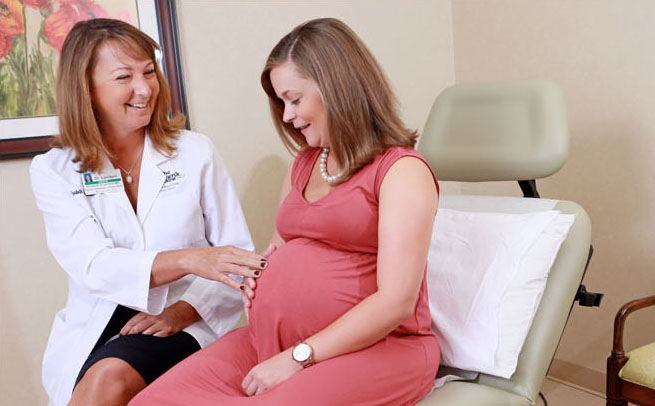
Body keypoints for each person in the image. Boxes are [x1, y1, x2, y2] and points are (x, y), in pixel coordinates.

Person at [131, 17, 440, 405]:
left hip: (378, 349)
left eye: (294, 99)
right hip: (274, 342)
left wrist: (298, 357)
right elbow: (278, 249)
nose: (287, 115)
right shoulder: (304, 165)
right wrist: (259, 279)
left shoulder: (401, 171)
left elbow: (396, 301)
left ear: (336, 87)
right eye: (281, 103)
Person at [29, 19, 267, 406]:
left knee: (109, 378)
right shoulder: (54, 170)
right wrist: (192, 258)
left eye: (149, 71)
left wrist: (183, 311)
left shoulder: (195, 152)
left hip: (183, 320)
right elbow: (93, 265)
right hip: (96, 323)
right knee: (95, 380)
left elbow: (236, 257)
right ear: (86, 89)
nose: (145, 89)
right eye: (124, 76)